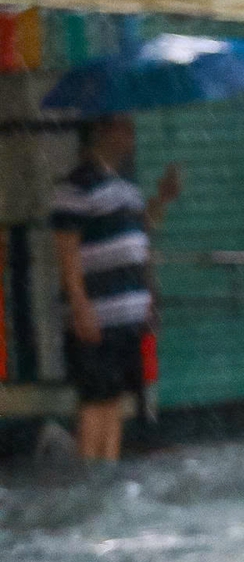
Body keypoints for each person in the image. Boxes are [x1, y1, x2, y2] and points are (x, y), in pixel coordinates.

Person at [50, 115, 179, 462]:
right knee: (95, 401)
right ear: (102, 131)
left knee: (116, 398)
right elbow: (66, 251)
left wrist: (163, 198)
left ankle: (107, 466)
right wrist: (79, 304)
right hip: (97, 313)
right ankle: (90, 470)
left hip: (127, 314)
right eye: (124, 129)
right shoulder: (76, 187)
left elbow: (140, 231)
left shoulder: (126, 188)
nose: (131, 138)